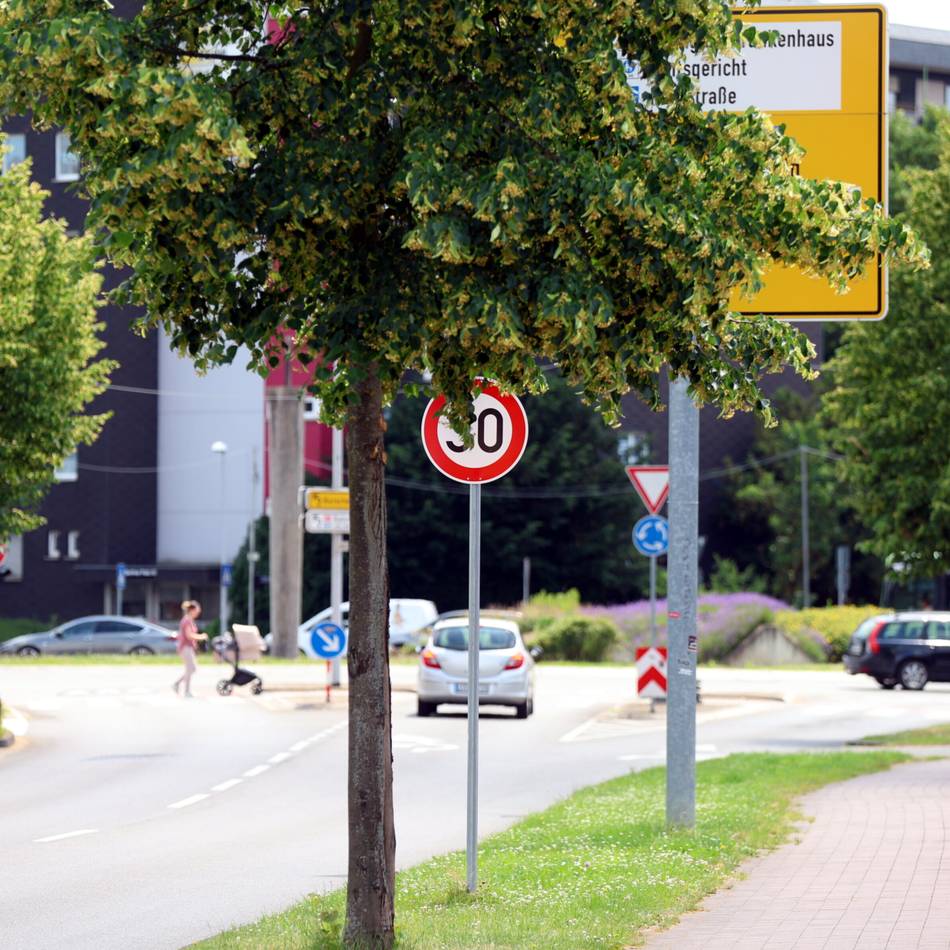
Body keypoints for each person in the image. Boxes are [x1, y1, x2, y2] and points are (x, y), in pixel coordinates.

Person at [173, 600, 207, 698]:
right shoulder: (187, 620)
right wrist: (201, 637)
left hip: (188, 648)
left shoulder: (190, 620)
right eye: (197, 611)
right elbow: (189, 635)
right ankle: (186, 691)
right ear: (192, 610)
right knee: (191, 669)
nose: (198, 613)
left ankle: (177, 684)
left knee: (191, 669)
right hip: (185, 647)